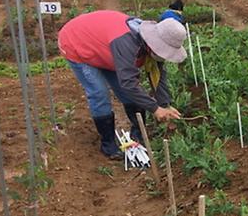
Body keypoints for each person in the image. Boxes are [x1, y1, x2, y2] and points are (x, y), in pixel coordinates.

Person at [58, 10, 187, 159]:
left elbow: (157, 74)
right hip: (78, 43)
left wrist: (164, 104)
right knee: (99, 93)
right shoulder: (126, 43)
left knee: (128, 93)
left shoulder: (150, 43)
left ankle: (138, 135)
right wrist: (155, 108)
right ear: (155, 44)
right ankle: (108, 144)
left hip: (105, 48)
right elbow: (129, 83)